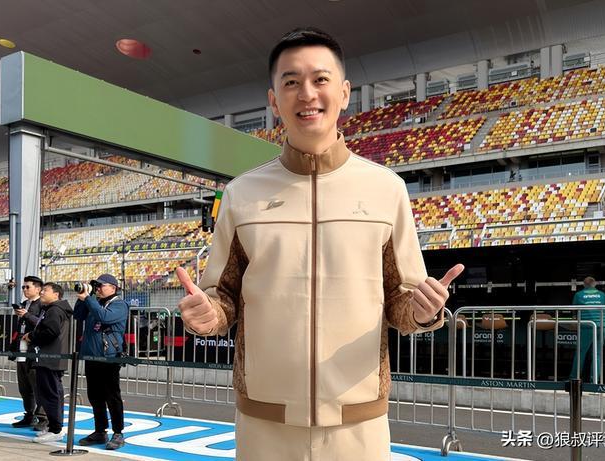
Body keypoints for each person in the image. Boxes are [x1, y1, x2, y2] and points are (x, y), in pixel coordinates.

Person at [177, 27, 464, 461]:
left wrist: (424, 312)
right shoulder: (241, 194)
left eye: (320, 79)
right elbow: (223, 297)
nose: (307, 93)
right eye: (291, 81)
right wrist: (207, 315)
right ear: (274, 100)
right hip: (264, 422)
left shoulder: (386, 189)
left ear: (344, 93)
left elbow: (400, 300)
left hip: (359, 424)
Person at [73, 274, 128, 450]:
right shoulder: (94, 303)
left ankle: (118, 432)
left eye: (101, 286)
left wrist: (89, 299)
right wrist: (83, 297)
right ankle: (100, 431)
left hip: (109, 357)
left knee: (112, 396)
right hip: (91, 356)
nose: (97, 288)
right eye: (96, 286)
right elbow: (78, 315)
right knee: (95, 396)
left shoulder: (119, 304)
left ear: (113, 287)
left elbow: (104, 317)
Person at [23, 282, 72, 443]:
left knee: (51, 394)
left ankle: (56, 429)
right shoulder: (52, 309)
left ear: (56, 294)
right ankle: (53, 426)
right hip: (49, 357)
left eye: (45, 290)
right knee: (49, 393)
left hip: (50, 358)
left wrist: (32, 336)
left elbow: (51, 331)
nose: (42, 293)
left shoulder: (55, 310)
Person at [10, 275, 48, 430]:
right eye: (23, 287)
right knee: (24, 387)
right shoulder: (25, 303)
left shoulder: (43, 304)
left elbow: (42, 324)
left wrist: (27, 315)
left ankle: (43, 418)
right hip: (21, 349)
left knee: (38, 386)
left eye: (27, 287)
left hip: (35, 351)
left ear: (38, 289)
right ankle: (29, 415)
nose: (24, 290)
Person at [570, 276, 605, 383]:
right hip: (601, 325)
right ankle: (594, 380)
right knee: (597, 354)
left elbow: (573, 310)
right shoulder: (602, 294)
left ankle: (574, 378)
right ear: (595, 284)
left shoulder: (578, 295)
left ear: (584, 285)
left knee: (581, 353)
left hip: (586, 326)